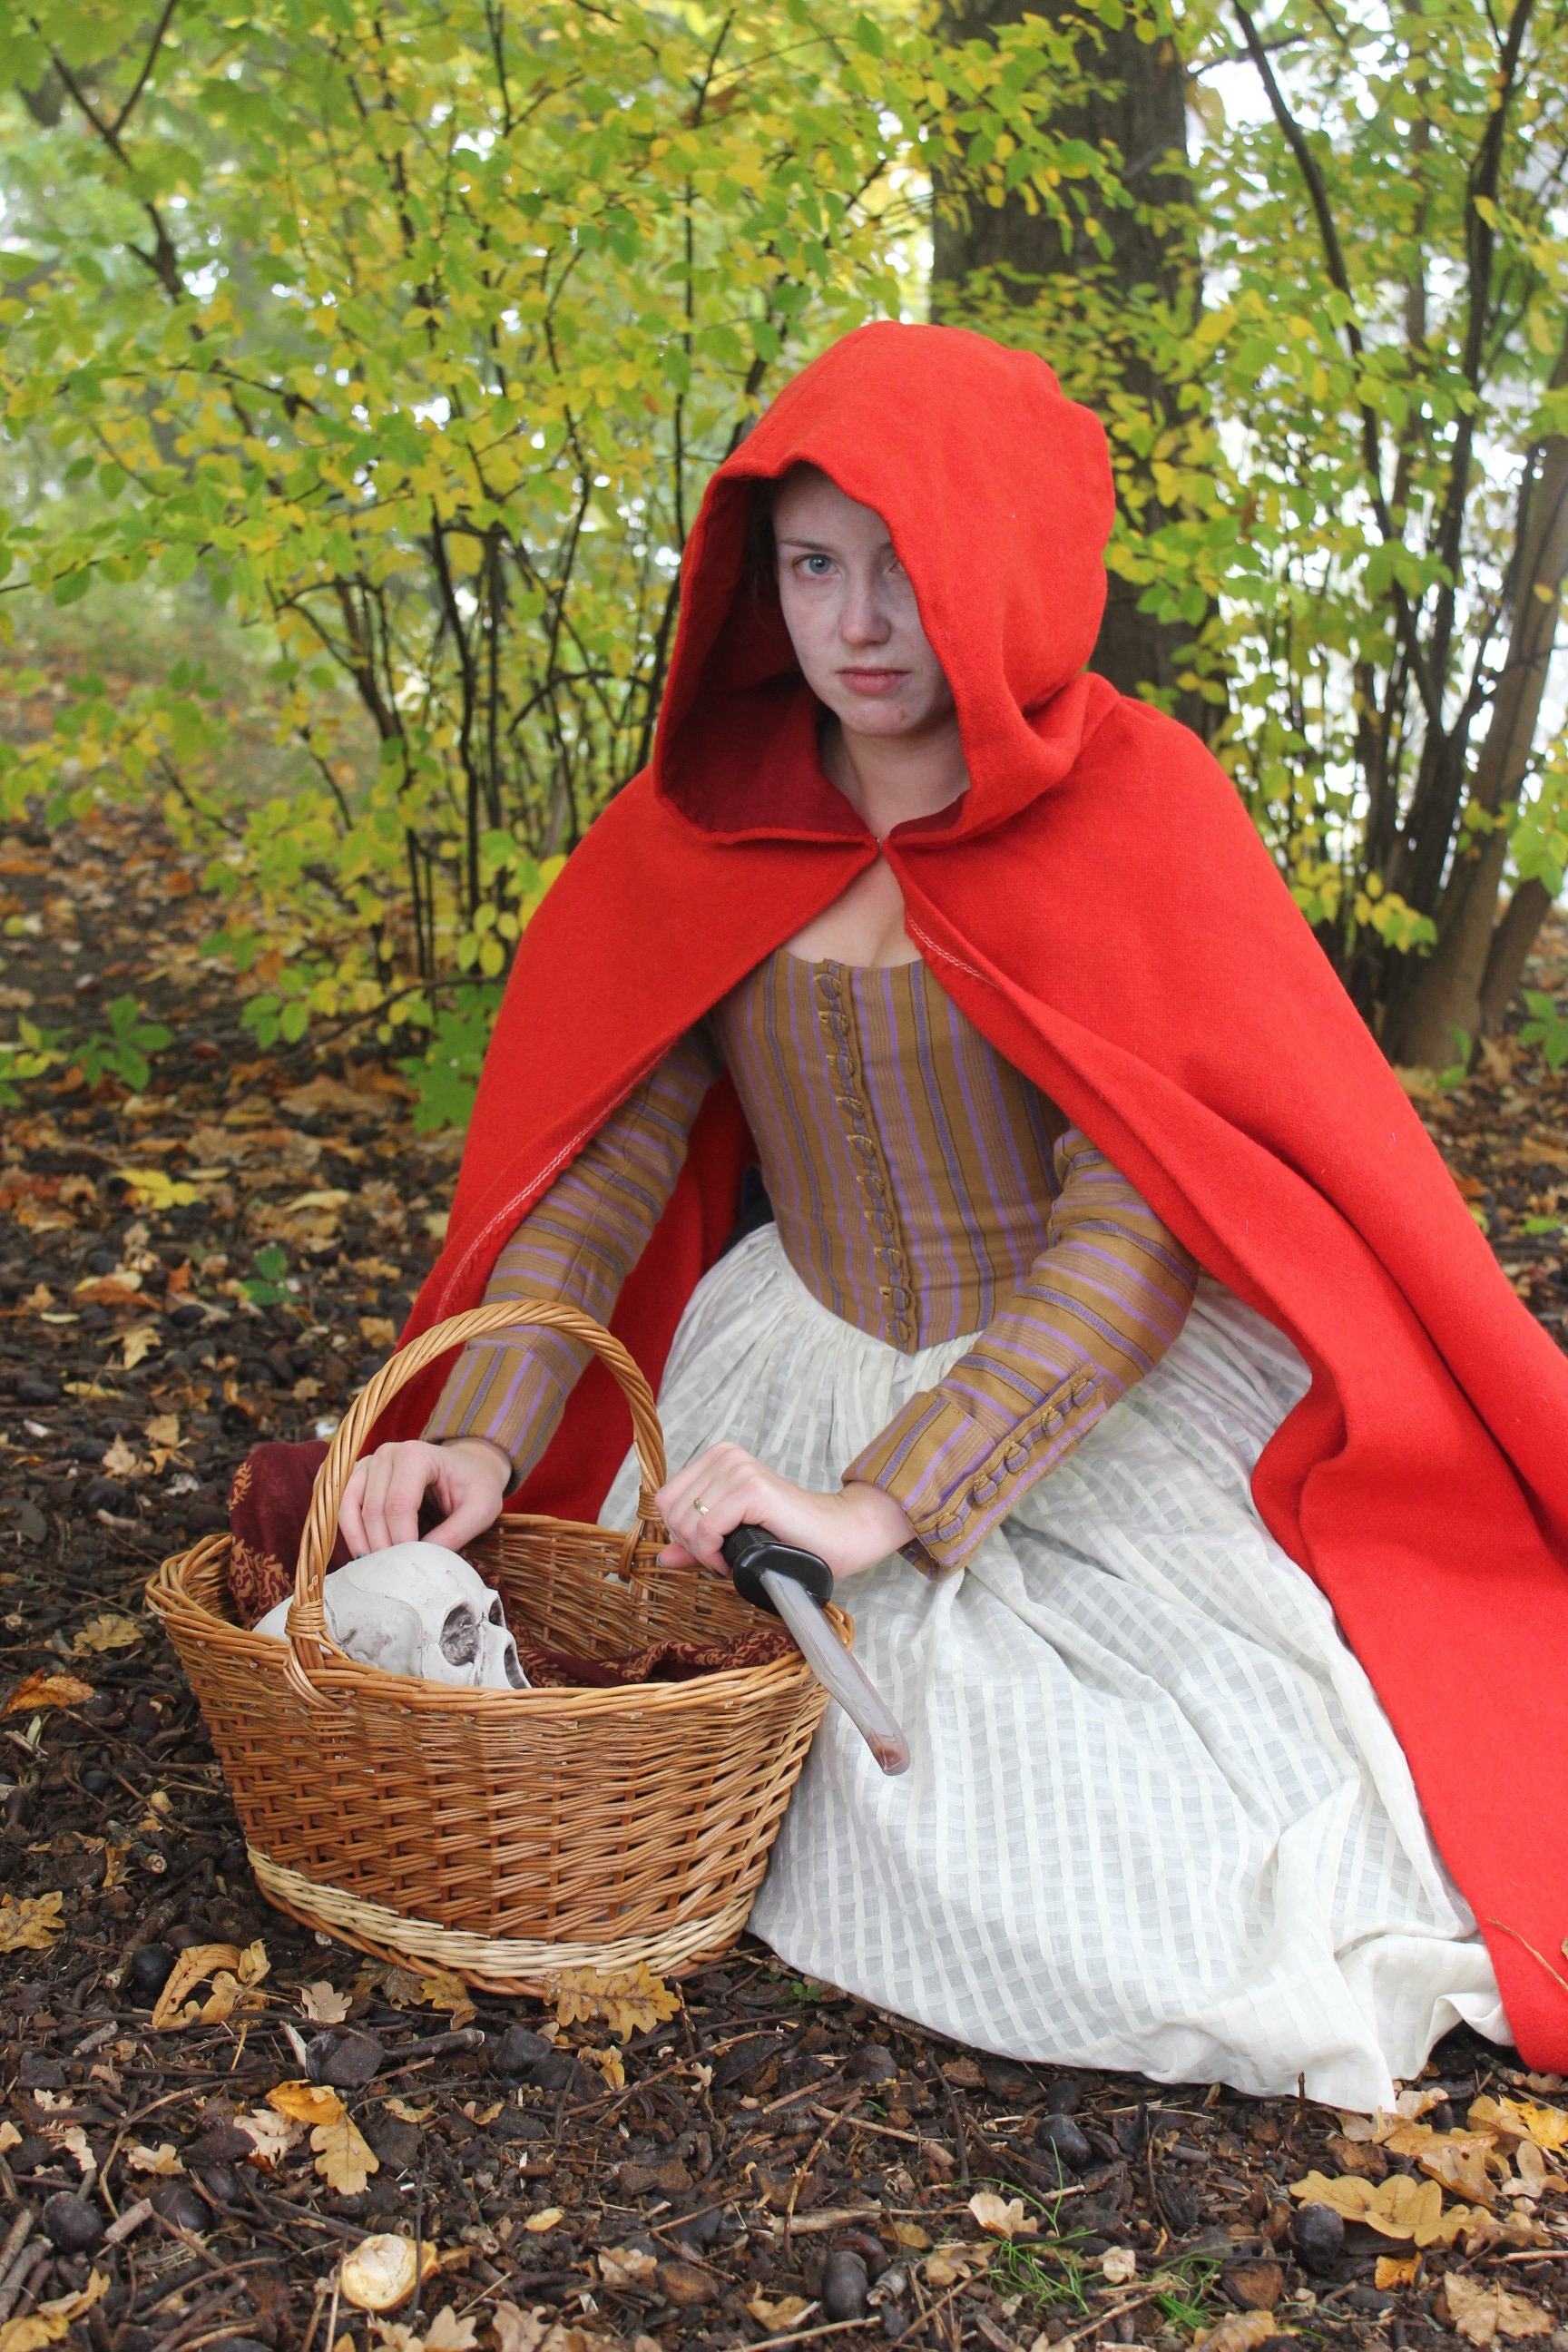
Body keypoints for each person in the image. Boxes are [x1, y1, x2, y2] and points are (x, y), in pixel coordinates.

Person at [328, 324, 1568, 2102]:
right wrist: (485, 1436)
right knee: (741, 1744)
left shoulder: (1135, 808)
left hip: (1080, 1388)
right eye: (812, 568)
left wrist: (878, 1504)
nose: (858, 624)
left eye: (905, 565)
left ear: (998, 564)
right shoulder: (710, 824)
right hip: (789, 1361)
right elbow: (605, 1165)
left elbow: (1134, 1229)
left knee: (1156, 1863)